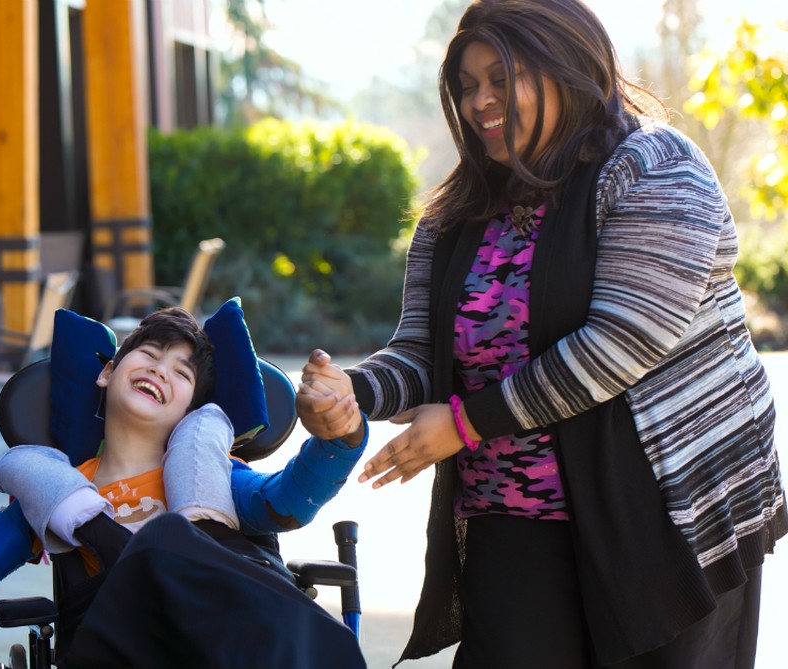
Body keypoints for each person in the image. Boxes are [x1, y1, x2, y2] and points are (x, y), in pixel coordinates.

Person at [299, 1, 786, 667]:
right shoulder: (456, 214)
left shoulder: (653, 166)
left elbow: (623, 344)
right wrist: (351, 392)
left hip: (662, 517)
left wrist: (466, 424)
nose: (479, 101)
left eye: (500, 77)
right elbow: (420, 353)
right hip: (513, 515)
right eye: (467, 85)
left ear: (567, 65)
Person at [0, 307, 370, 668]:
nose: (162, 369)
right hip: (124, 647)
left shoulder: (213, 480)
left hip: (226, 639)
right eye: (151, 354)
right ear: (108, 370)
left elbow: (289, 500)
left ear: (193, 404)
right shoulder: (51, 492)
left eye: (182, 372)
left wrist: (339, 437)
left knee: (181, 539)